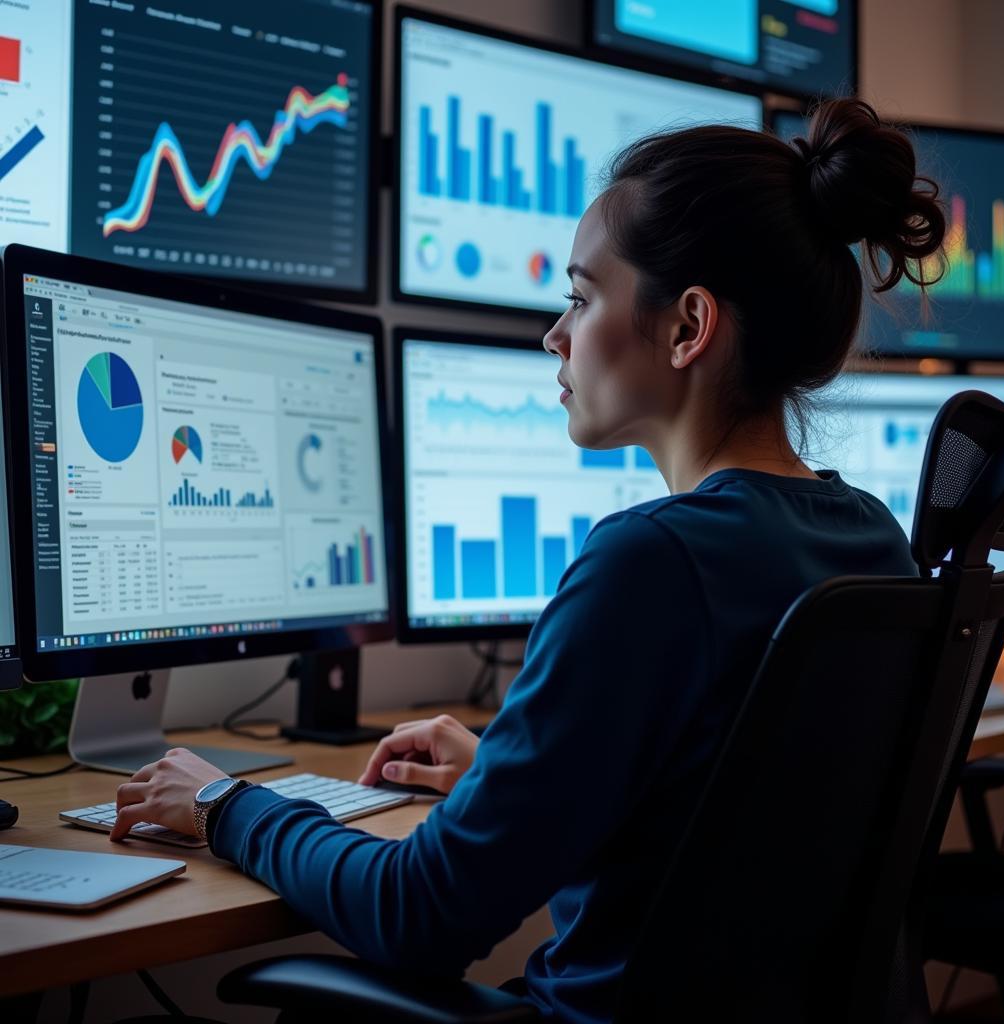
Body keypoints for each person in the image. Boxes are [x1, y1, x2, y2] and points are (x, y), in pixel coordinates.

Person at [110, 97, 946, 1023]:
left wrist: (229, 808)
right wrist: (512, 774)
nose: (554, 336)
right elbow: (741, 818)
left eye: (582, 299)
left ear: (687, 327)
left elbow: (421, 914)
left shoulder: (651, 560)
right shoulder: (871, 537)